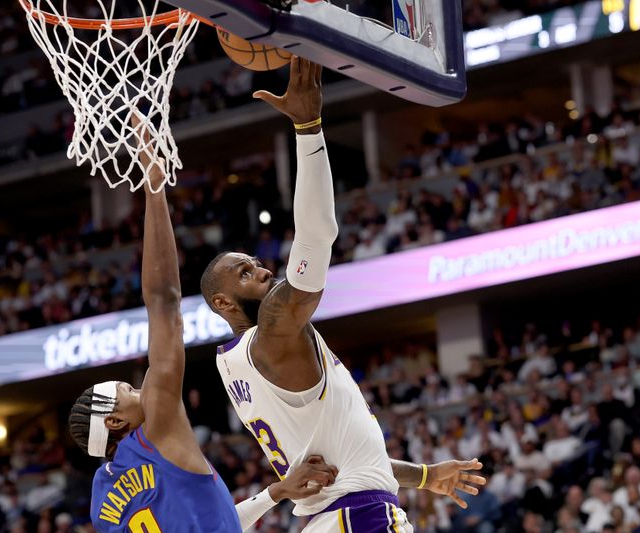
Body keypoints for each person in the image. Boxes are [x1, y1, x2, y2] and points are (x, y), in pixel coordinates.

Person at [200, 57, 486, 532]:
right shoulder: (274, 329)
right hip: (359, 520)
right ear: (224, 303)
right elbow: (316, 236)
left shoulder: (235, 363)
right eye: (246, 273)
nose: (264, 269)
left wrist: (424, 475)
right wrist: (308, 128)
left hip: (335, 518)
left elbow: (343, 465)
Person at [67, 117, 338, 532]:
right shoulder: (155, 425)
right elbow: (163, 302)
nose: (139, 387)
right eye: (126, 391)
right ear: (115, 422)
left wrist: (276, 493)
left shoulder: (101, 503)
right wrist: (154, 187)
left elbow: (203, 517)